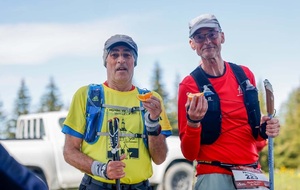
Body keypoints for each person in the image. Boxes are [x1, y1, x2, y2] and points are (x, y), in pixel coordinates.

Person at [177, 14, 281, 190]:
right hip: (214, 174)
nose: (207, 41)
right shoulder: (189, 85)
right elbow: (189, 153)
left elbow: (256, 138)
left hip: (252, 174)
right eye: (199, 37)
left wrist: (265, 130)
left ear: (222, 37)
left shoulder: (245, 75)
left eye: (212, 34)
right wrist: (193, 122)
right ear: (192, 44)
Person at [62, 34, 172, 190]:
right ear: (106, 62)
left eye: (127, 54)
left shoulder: (152, 100)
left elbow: (159, 158)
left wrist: (153, 122)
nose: (121, 60)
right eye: (114, 55)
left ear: (134, 62)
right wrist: (102, 169)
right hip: (97, 185)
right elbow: (69, 151)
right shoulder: (86, 95)